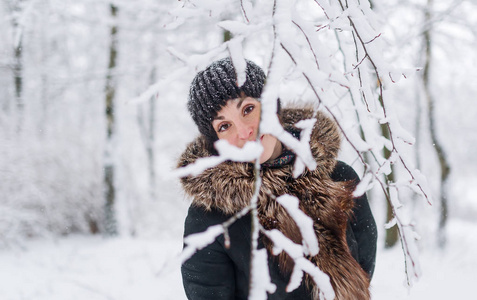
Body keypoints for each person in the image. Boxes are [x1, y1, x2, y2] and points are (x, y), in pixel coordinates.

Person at [177, 57, 377, 300]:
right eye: (224, 126)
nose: (244, 131)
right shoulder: (209, 215)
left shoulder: (339, 177)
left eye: (248, 109)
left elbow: (363, 265)